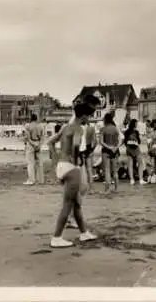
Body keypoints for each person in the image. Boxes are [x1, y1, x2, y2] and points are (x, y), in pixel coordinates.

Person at [47, 101, 98, 248]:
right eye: (88, 116)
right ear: (83, 116)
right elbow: (76, 144)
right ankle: (56, 237)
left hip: (63, 166)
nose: (89, 119)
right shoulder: (78, 129)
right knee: (68, 205)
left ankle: (83, 233)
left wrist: (56, 160)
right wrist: (76, 160)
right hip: (71, 168)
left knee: (76, 204)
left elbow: (50, 142)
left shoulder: (65, 127)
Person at [99, 113, 121, 194]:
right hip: (115, 151)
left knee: (107, 171)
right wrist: (115, 148)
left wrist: (109, 147)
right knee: (115, 171)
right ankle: (116, 189)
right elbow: (120, 140)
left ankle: (107, 190)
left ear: (105, 120)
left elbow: (101, 142)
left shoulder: (103, 129)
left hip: (106, 151)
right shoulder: (115, 128)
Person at [123, 119, 146, 185]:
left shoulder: (126, 131)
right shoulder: (136, 132)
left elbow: (125, 141)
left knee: (130, 165)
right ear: (134, 124)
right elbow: (139, 141)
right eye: (136, 123)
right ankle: (141, 179)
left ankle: (131, 179)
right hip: (136, 149)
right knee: (140, 163)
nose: (137, 125)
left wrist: (127, 147)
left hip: (128, 148)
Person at [23, 114, 44, 185]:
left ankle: (31, 180)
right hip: (38, 143)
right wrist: (39, 145)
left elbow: (28, 138)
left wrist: (33, 144)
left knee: (30, 163)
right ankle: (40, 180)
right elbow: (42, 138)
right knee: (39, 163)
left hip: (31, 144)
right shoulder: (40, 126)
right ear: (36, 119)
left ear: (30, 118)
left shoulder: (27, 126)